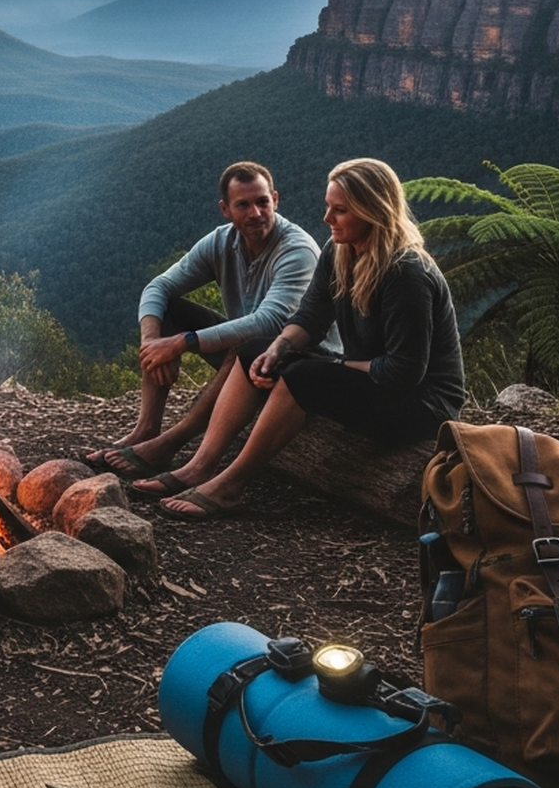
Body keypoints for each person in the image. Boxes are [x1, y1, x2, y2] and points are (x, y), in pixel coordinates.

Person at [140, 157, 464, 521]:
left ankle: (230, 485)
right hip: (372, 380)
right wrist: (278, 349)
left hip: (421, 404)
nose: (327, 218)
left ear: (373, 211)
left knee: (302, 377)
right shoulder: (340, 252)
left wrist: (329, 366)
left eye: (339, 210)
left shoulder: (406, 273)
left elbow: (404, 371)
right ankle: (200, 467)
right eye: (329, 206)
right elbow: (310, 317)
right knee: (252, 351)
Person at [83, 161, 318, 480]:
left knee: (247, 343)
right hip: (251, 356)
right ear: (225, 209)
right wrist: (152, 343)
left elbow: (271, 321)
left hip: (300, 359)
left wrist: (183, 342)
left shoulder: (297, 250)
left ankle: (169, 443)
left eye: (263, 201)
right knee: (168, 310)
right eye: (243, 205)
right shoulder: (222, 242)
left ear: (275, 199)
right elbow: (158, 286)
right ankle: (146, 429)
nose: (255, 213)